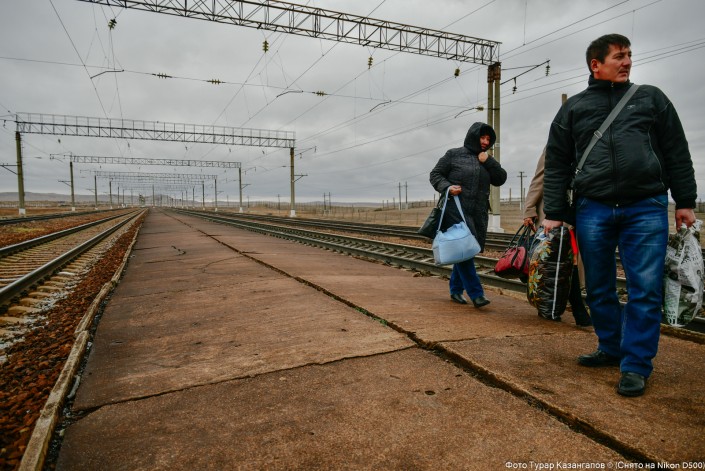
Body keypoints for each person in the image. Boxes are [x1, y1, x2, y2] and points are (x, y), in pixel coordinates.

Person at [542, 34, 697, 397]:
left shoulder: (651, 98)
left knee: (645, 288)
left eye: (629, 55)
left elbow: (676, 150)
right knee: (598, 286)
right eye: (619, 56)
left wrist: (685, 201)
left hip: (646, 205)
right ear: (596, 65)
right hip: (593, 207)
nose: (627, 61)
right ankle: (611, 347)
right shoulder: (574, 108)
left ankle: (636, 364)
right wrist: (554, 212)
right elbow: (557, 163)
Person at [430, 122, 507, 308]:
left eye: (488, 139)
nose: (485, 141)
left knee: (464, 250)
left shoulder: (486, 159)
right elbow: (435, 174)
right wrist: (447, 187)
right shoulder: (453, 154)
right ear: (473, 136)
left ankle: (455, 290)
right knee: (465, 249)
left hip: (478, 213)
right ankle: (476, 294)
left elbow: (500, 178)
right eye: (482, 137)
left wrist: (488, 161)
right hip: (456, 210)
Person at [523, 147, 592, 327]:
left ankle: (556, 305)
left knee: (571, 260)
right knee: (557, 261)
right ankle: (575, 307)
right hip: (553, 210)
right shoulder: (555, 144)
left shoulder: (588, 143)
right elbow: (539, 178)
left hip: (580, 210)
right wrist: (529, 209)